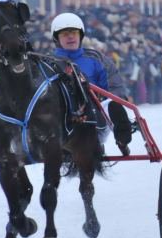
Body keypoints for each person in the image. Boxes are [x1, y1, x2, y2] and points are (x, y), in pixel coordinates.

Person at [50, 13, 134, 155]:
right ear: (57, 38)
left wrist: (111, 99)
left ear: (81, 35)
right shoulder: (48, 62)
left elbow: (114, 85)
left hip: (96, 113)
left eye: (74, 32)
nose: (70, 37)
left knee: (114, 105)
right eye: (65, 34)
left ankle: (122, 141)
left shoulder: (96, 58)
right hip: (64, 116)